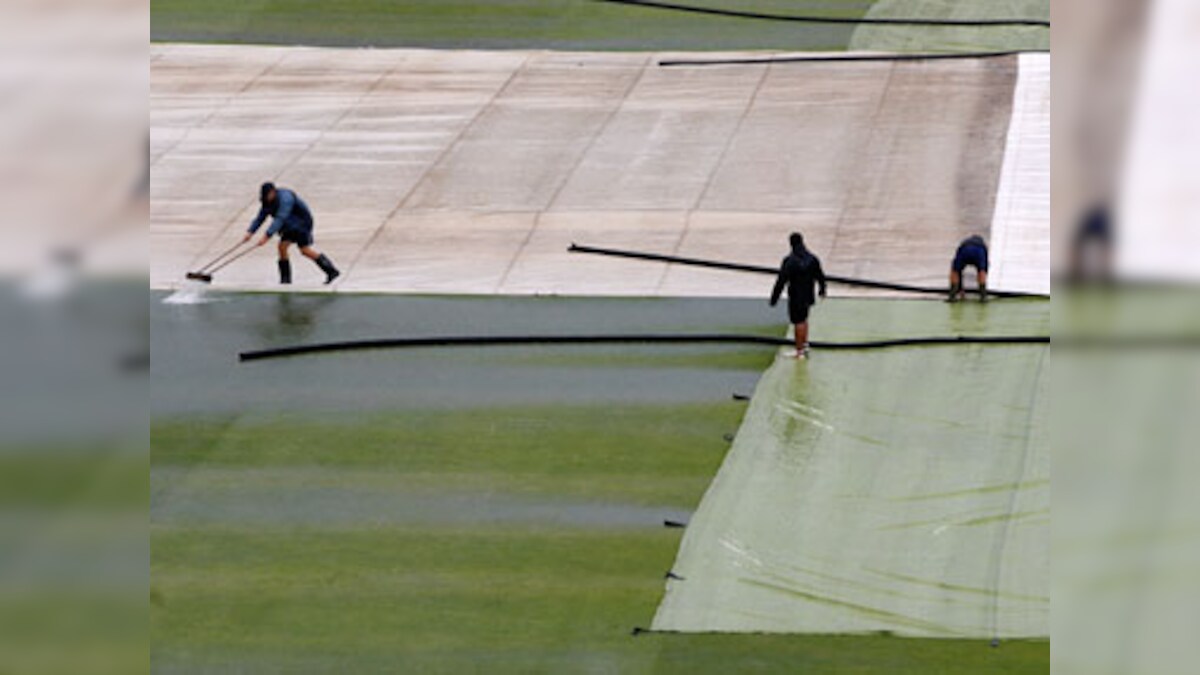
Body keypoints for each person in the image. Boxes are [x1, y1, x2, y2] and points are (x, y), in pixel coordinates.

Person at [244, 182, 340, 285]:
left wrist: (267, 236)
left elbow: (280, 218)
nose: (266, 198)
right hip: (288, 225)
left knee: (304, 250)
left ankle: (331, 271)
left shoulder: (286, 199)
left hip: (302, 223)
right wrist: (250, 232)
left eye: (267, 196)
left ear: (273, 192)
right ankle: (286, 279)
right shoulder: (267, 201)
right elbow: (260, 217)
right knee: (282, 247)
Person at [770, 232, 827, 359]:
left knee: (798, 322)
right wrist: (822, 290)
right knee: (804, 319)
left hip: (796, 296)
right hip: (808, 295)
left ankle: (799, 351)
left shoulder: (789, 261)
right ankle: (804, 345)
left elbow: (781, 281)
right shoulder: (812, 259)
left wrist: (774, 298)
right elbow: (820, 276)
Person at [949, 234, 989, 302]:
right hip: (978, 251)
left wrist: (960, 288)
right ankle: (983, 296)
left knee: (955, 271)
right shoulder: (983, 246)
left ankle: (952, 295)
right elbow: (984, 270)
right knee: (981, 271)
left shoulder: (965, 242)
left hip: (964, 249)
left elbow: (958, 271)